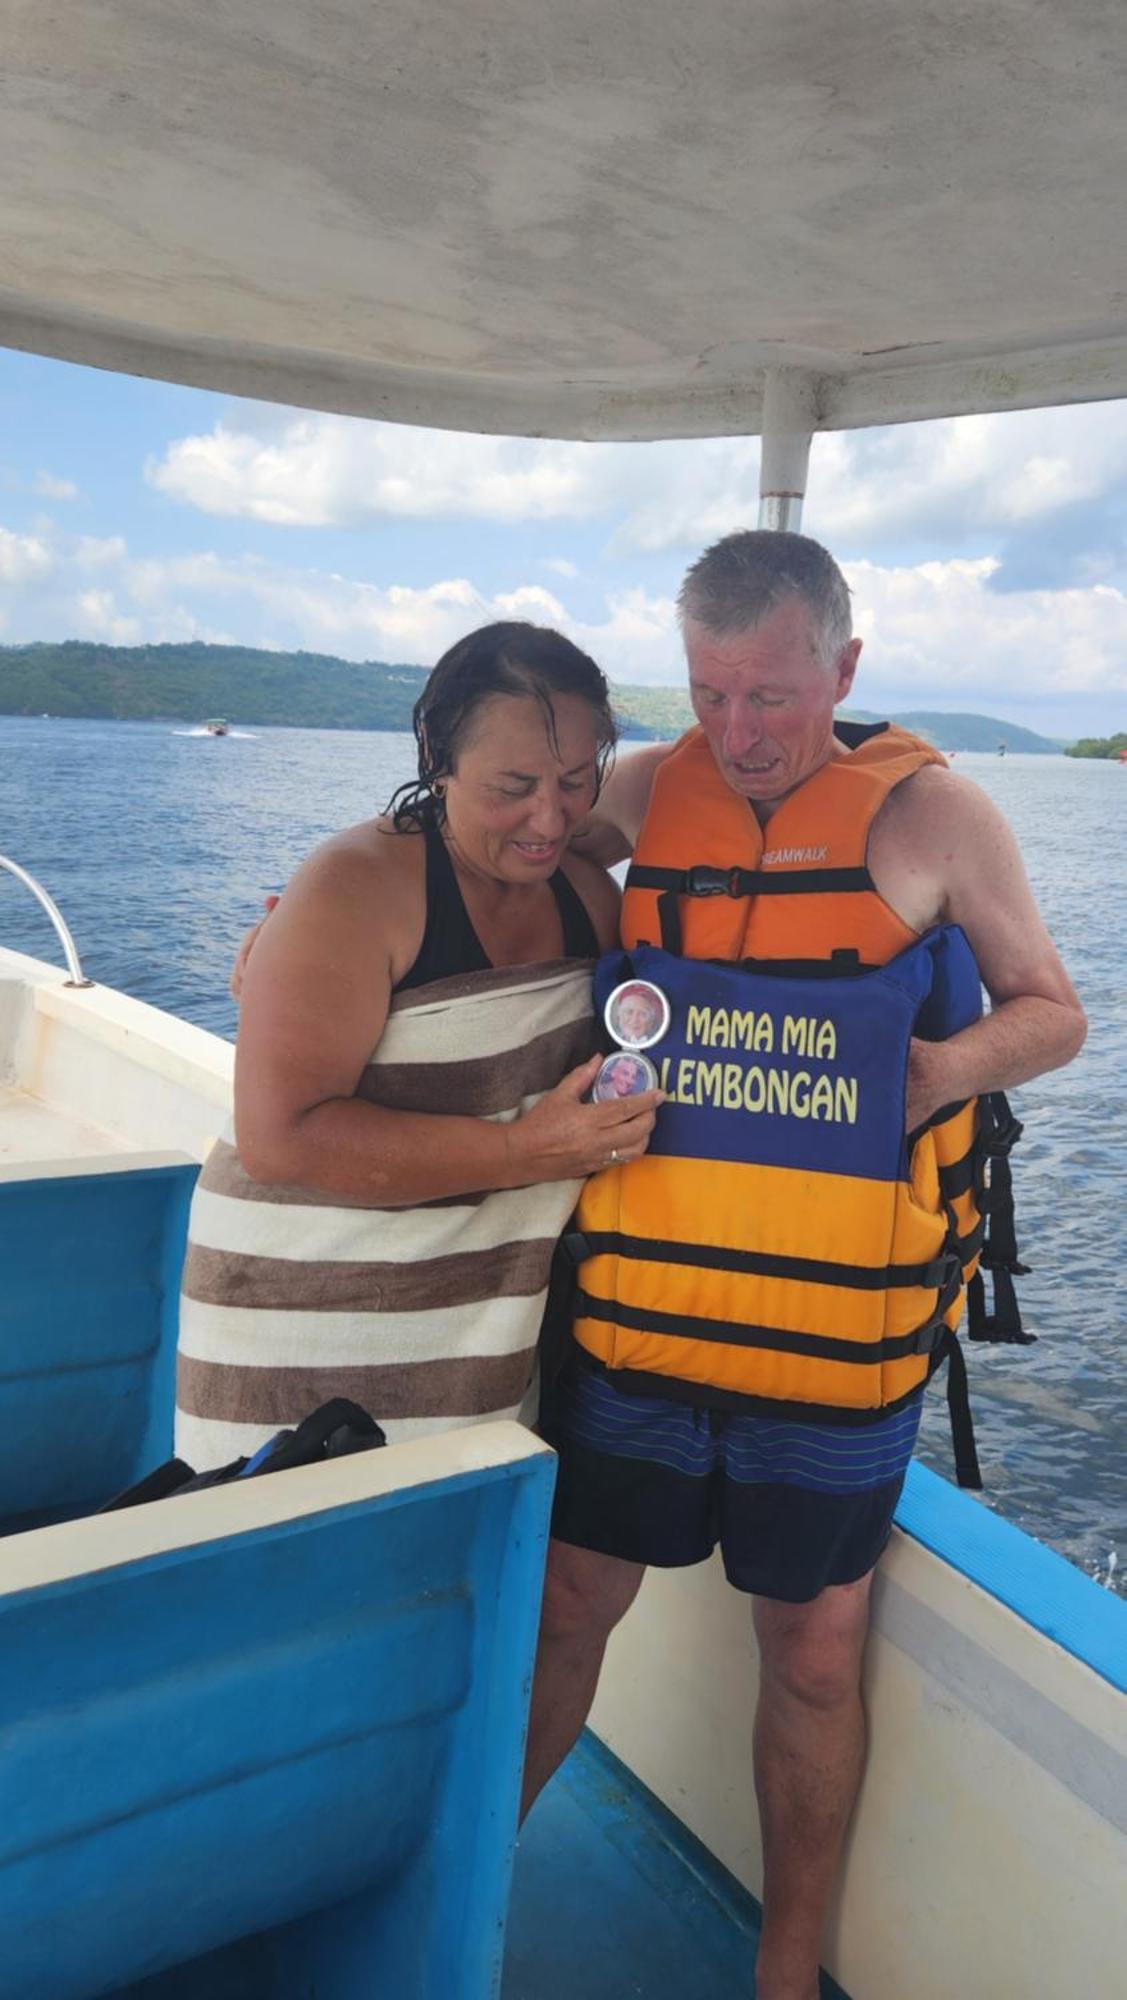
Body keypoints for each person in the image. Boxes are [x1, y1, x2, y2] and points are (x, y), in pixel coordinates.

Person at [524, 530, 1086, 2000]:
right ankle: (459, 1883)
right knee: (566, 1608)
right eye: (708, 693)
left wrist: (935, 1070)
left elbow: (1053, 1014)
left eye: (769, 696)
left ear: (842, 667)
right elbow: (497, 862)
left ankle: (780, 1973)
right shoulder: (648, 788)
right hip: (640, 1325)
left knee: (816, 1657)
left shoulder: (933, 813)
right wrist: (330, 933)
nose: (737, 732)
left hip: (834, 1360)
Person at [175, 621, 661, 1470]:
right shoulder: (355, 888)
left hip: (479, 1345)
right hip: (294, 1333)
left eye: (577, 781)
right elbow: (281, 1136)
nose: (549, 817)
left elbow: (720, 758)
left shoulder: (589, 898)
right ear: (438, 759)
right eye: (513, 785)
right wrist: (524, 1152)